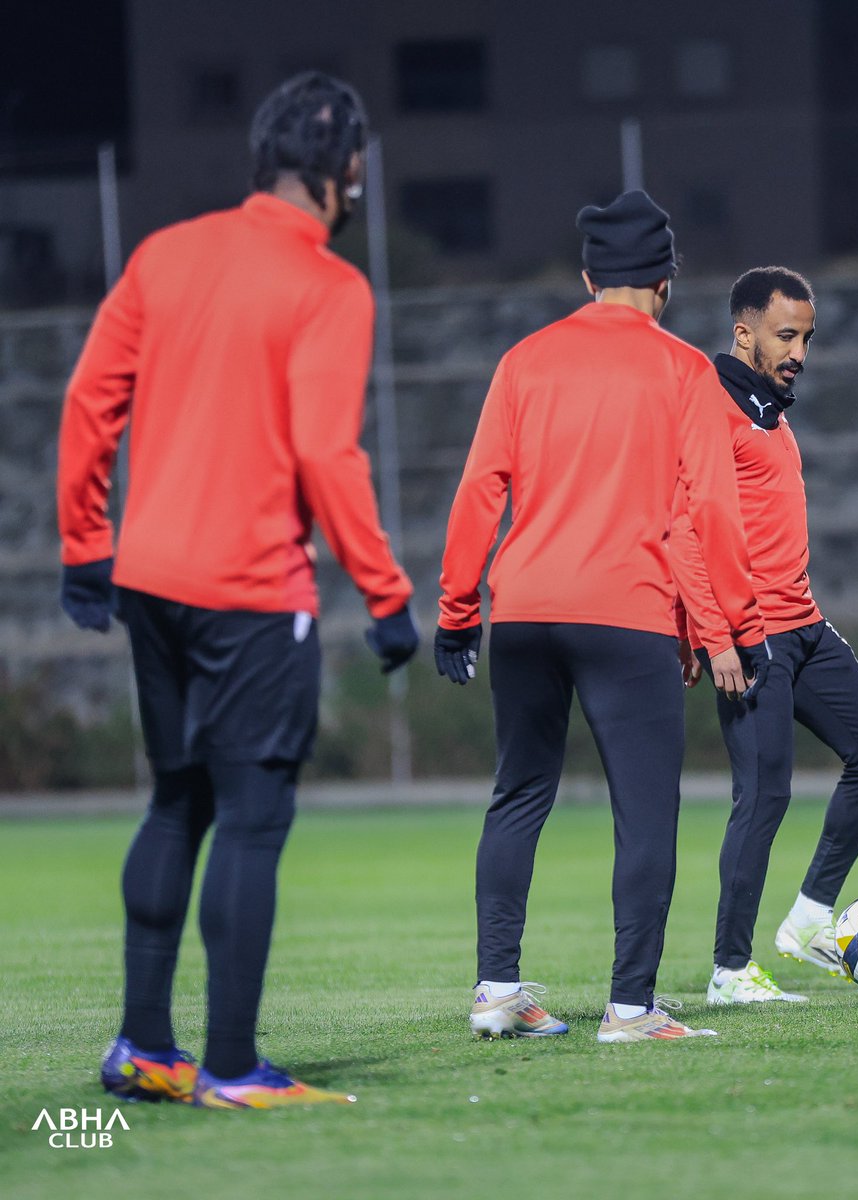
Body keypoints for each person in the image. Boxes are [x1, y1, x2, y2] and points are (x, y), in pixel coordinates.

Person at [57, 71, 418, 1109]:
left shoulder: (165, 253)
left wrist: (85, 543)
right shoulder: (330, 287)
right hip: (252, 590)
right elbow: (323, 452)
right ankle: (230, 1067)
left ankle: (144, 1048)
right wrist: (385, 593)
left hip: (150, 578)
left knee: (177, 802)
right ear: (345, 171)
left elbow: (89, 400)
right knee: (254, 817)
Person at [436, 190, 769, 1043]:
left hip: (524, 612)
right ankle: (629, 1008)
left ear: (588, 278)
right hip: (626, 613)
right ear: (665, 282)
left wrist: (456, 610)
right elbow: (711, 510)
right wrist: (733, 624)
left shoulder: (524, 360)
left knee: (518, 794)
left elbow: (480, 488)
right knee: (645, 810)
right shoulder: (686, 371)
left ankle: (496, 990)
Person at [670, 265, 858, 1006]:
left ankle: (808, 923)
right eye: (786, 336)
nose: (799, 352)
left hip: (805, 625)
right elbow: (683, 531)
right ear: (743, 332)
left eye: (807, 338)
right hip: (753, 637)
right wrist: (708, 635)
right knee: (764, 796)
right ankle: (729, 970)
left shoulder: (771, 411)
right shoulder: (711, 405)